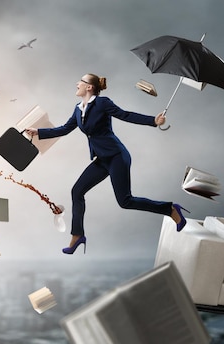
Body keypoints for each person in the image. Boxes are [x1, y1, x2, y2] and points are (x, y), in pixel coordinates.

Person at [25, 73, 188, 255]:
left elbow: (125, 115)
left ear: (89, 87)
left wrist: (153, 121)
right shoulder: (78, 109)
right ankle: (77, 235)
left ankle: (170, 208)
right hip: (102, 159)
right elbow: (64, 129)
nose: (76, 82)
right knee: (77, 191)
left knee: (125, 201)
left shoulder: (103, 103)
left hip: (117, 156)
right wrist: (38, 132)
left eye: (81, 81)